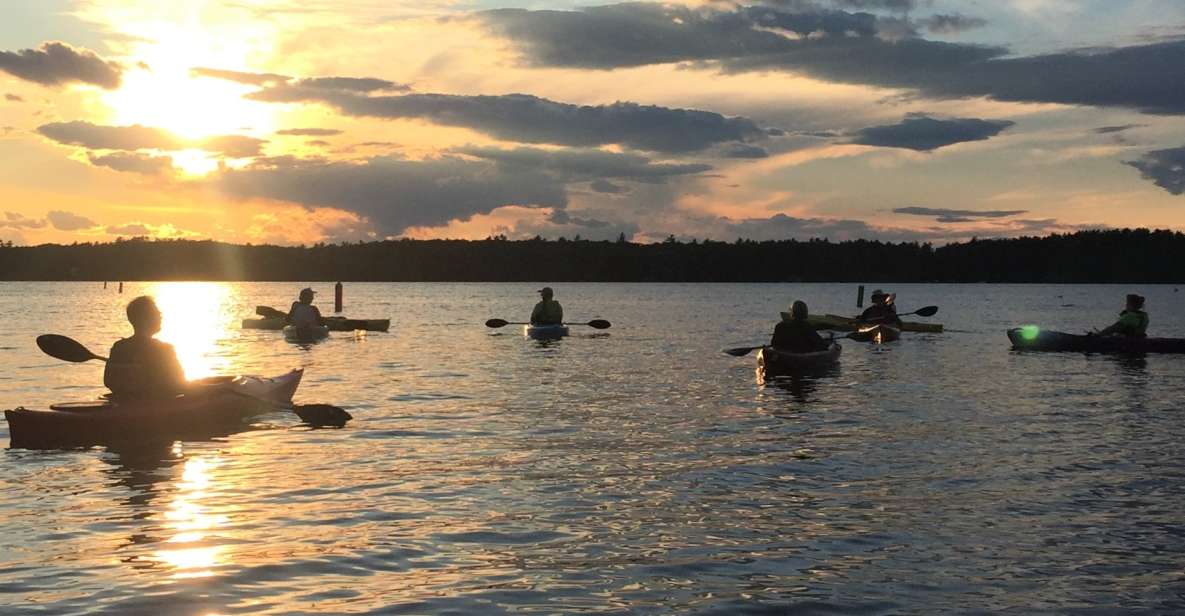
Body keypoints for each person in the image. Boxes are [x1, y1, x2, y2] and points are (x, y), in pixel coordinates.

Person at [103, 296, 187, 399]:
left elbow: (108, 382)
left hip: (124, 405)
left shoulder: (119, 347)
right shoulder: (164, 349)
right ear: (147, 318)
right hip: (158, 407)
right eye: (157, 313)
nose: (161, 316)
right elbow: (180, 384)